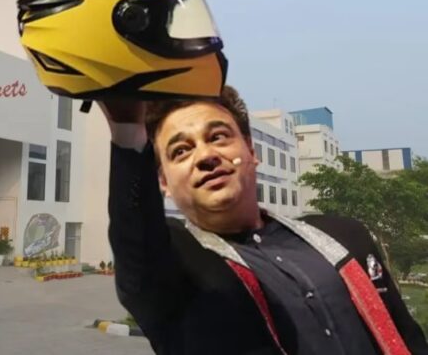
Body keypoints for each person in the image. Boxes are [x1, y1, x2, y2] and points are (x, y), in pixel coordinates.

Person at [99, 88, 428, 354]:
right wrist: (127, 128)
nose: (206, 156)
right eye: (181, 151)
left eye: (218, 137)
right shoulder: (173, 263)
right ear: (164, 182)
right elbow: (136, 239)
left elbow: (409, 339)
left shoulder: (343, 236)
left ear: (251, 152)